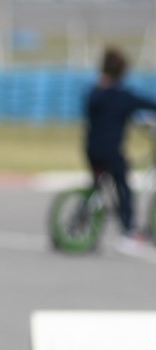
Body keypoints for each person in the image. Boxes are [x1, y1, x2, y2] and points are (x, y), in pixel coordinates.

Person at [84, 46, 156, 255]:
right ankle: (129, 232)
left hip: (91, 149)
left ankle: (93, 210)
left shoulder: (94, 93)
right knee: (123, 187)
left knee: (101, 181)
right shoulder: (123, 96)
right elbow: (148, 104)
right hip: (110, 151)